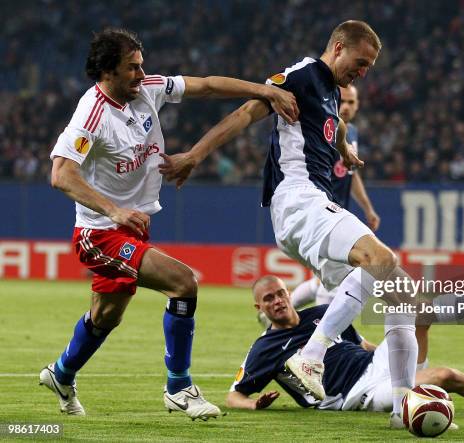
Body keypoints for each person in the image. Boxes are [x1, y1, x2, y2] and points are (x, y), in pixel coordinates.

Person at [159, 20, 464, 424]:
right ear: (338, 47)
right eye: (361, 61)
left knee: (401, 296)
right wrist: (195, 155)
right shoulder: (301, 74)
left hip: (309, 207)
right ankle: (311, 358)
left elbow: (332, 125)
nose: (364, 71)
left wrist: (344, 150)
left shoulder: (332, 94)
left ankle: (402, 405)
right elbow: (247, 112)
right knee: (381, 258)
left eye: (370, 66)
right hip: (297, 198)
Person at [40, 27, 298, 420]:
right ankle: (179, 387)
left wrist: (264, 90)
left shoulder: (148, 89)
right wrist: (113, 210)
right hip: (99, 233)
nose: (142, 74)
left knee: (106, 316)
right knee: (184, 282)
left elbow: (208, 86)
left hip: (131, 227)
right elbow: (61, 174)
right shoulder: (91, 113)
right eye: (132, 68)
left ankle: (61, 374)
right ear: (108, 71)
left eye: (142, 65)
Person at [226, 275, 464, 428]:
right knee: (445, 377)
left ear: (289, 293)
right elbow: (233, 395)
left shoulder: (321, 315)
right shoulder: (264, 348)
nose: (277, 301)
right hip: (356, 394)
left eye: (280, 293)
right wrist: (253, 403)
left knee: (419, 311)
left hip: (376, 364)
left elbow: (360, 344)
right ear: (259, 306)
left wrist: (394, 349)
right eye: (268, 298)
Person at [289, 84, 379, 311]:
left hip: (339, 213)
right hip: (320, 212)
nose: (346, 107)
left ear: (358, 105)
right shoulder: (322, 129)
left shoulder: (352, 133)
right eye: (342, 101)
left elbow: (351, 173)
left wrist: (368, 208)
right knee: (335, 280)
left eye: (351, 102)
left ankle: (279, 313)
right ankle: (324, 339)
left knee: (327, 278)